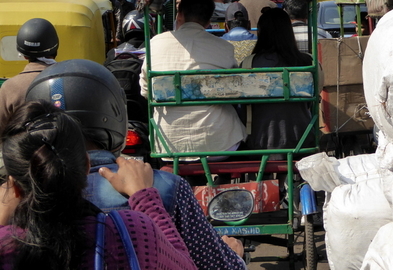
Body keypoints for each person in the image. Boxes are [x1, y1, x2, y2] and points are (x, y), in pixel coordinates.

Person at [25, 59, 246, 270]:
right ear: (114, 111)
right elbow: (212, 263)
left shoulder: (22, 197)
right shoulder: (163, 187)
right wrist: (234, 255)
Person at [0, 99, 197, 270]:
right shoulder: (131, 231)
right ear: (87, 165)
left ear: (15, 188)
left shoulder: (6, 247)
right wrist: (145, 197)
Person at [140, 0, 246, 158]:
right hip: (220, 144)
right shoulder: (224, 47)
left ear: (179, 15)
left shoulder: (154, 44)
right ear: (209, 20)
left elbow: (146, 92)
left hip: (167, 144)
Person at [242, 8, 316, 151]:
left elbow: (243, 107)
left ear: (261, 33)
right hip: (302, 139)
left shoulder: (249, 64)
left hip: (260, 140)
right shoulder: (307, 62)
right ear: (289, 32)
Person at [0, 18, 59, 131]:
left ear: (24, 55)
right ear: (55, 48)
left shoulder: (10, 87)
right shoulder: (70, 79)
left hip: (23, 147)